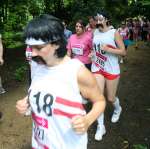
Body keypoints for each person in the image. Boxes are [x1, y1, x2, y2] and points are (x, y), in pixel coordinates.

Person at [16, 14, 105, 149]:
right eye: (30, 47)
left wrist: (87, 120)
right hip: (39, 144)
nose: (32, 53)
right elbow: (43, 91)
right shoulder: (37, 66)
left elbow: (100, 101)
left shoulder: (77, 72)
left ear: (56, 44)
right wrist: (27, 101)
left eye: (38, 48)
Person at [91, 12, 126, 141]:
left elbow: (123, 52)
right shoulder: (95, 32)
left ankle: (117, 109)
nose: (98, 19)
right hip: (97, 68)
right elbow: (95, 49)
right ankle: (101, 126)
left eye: (100, 17)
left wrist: (109, 50)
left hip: (111, 69)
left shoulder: (113, 33)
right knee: (98, 97)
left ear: (107, 19)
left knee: (110, 98)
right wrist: (92, 55)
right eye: (96, 18)